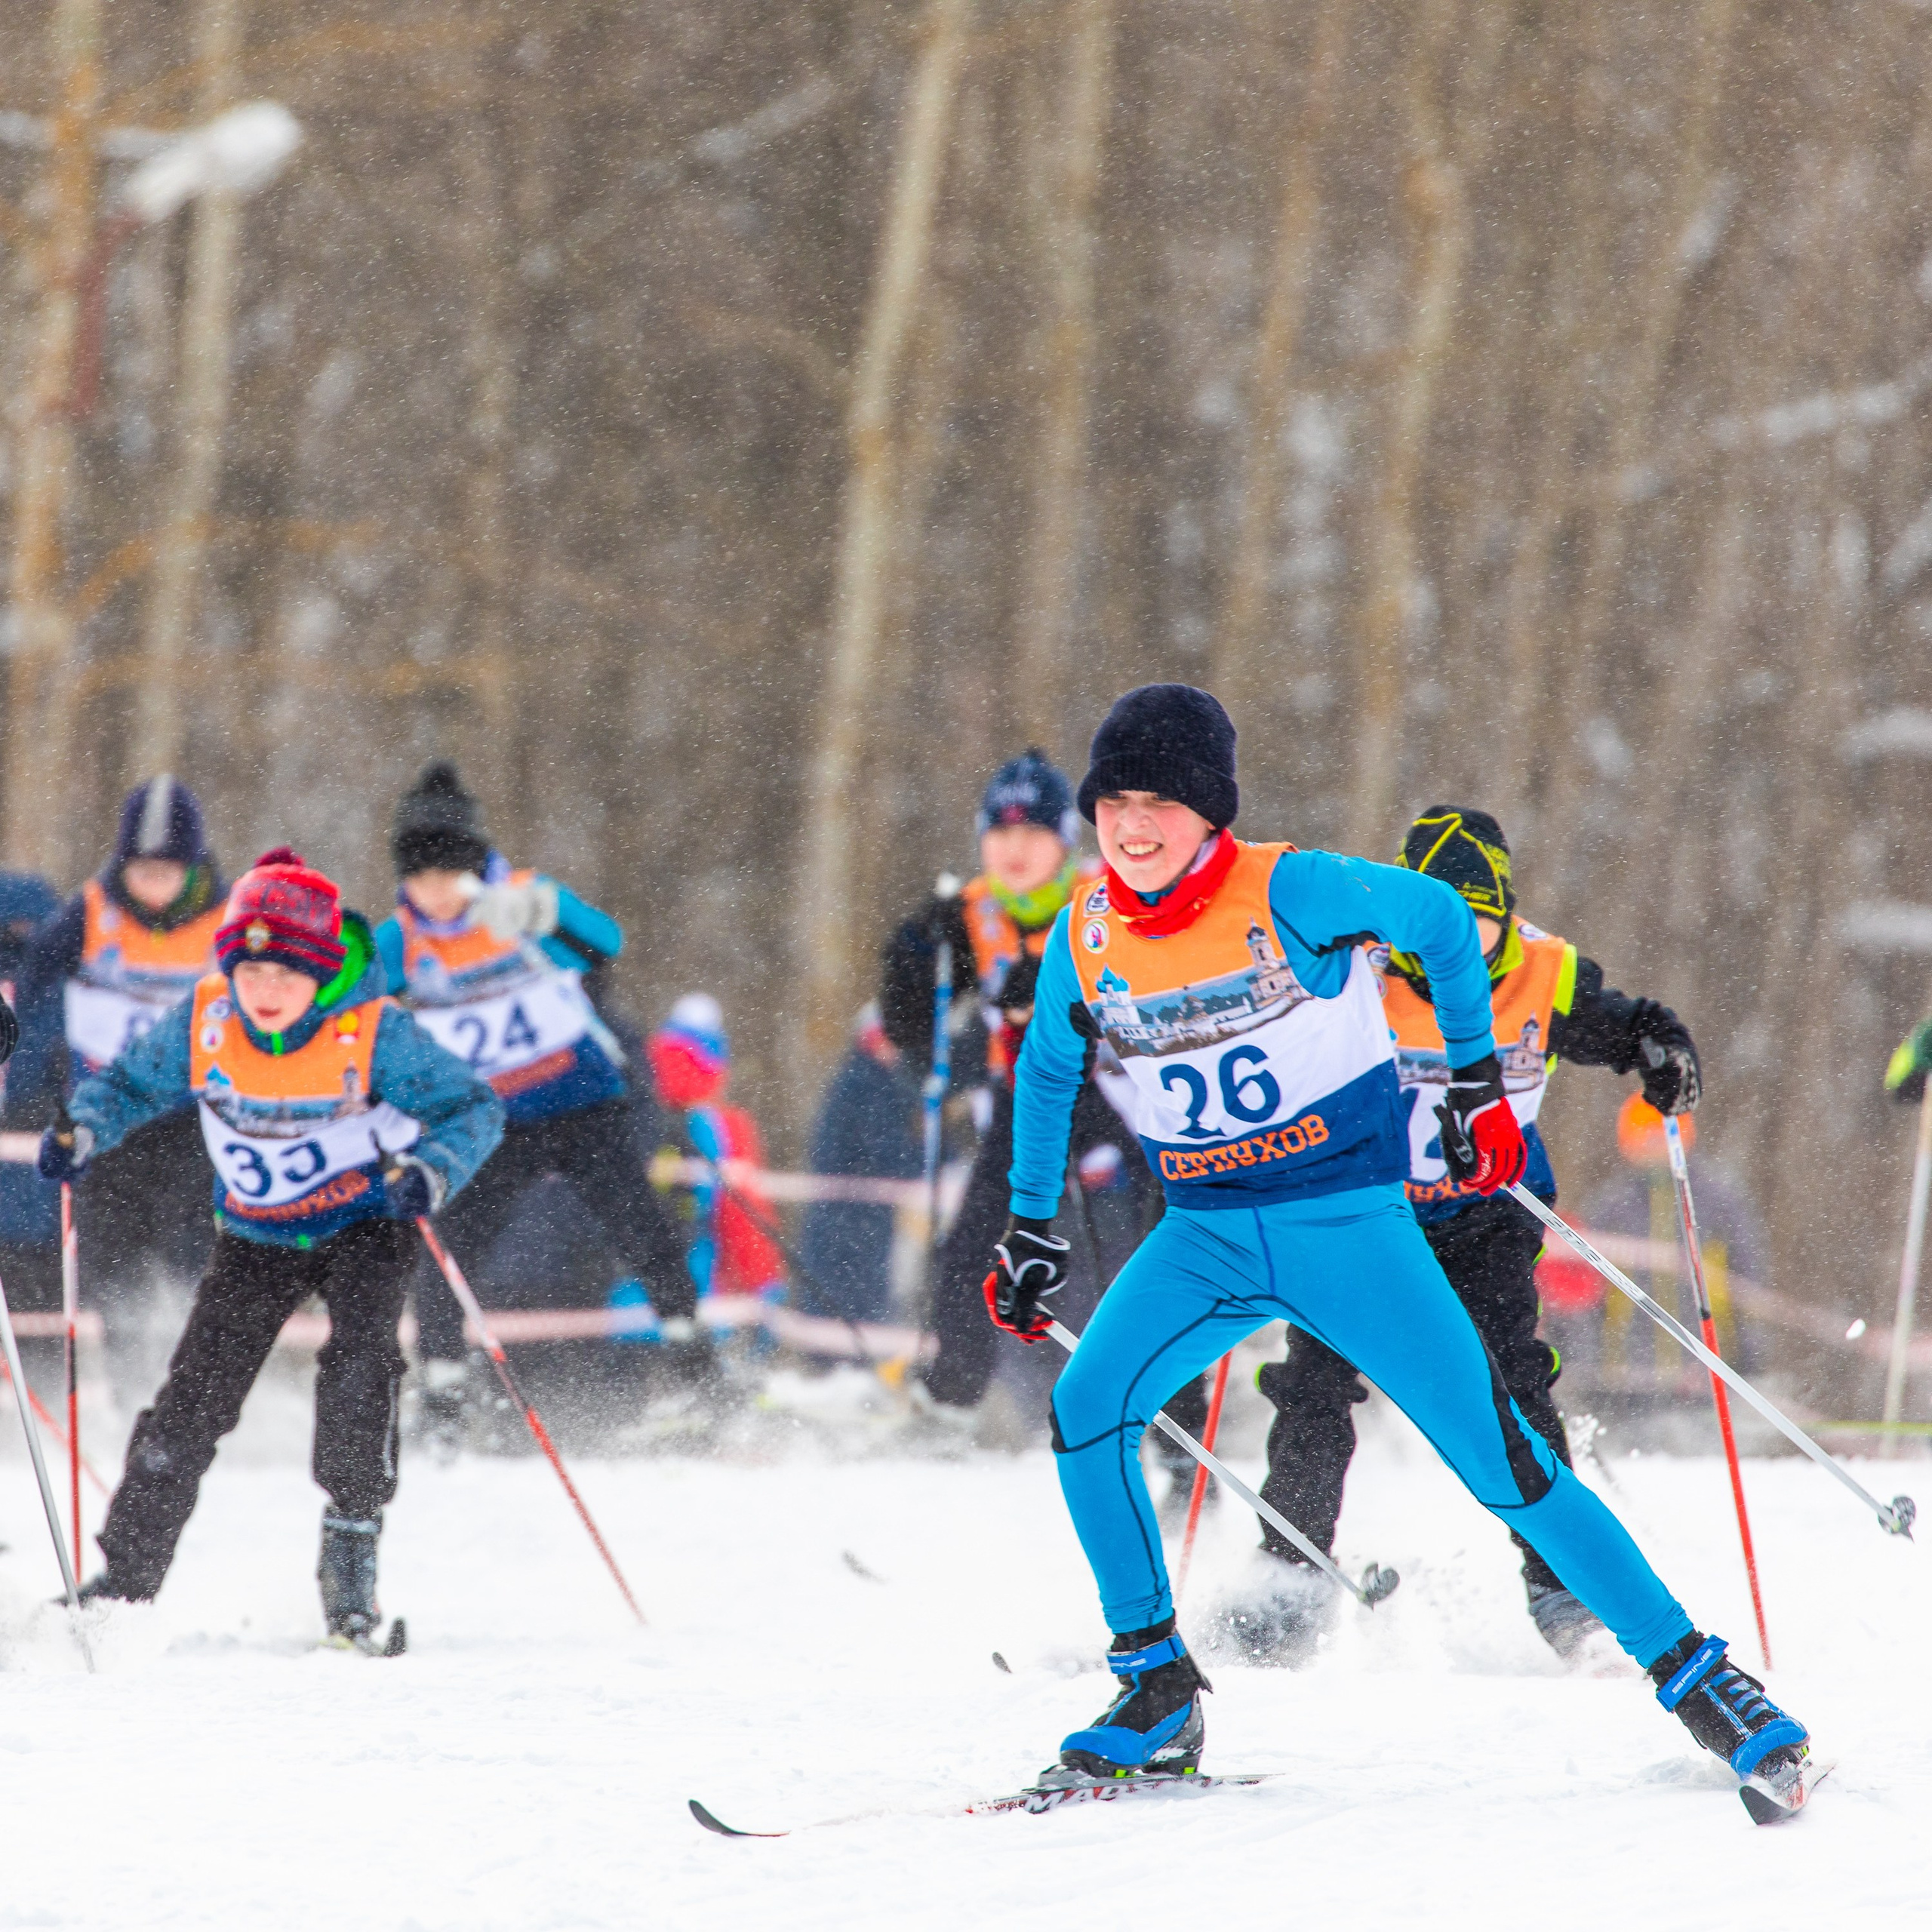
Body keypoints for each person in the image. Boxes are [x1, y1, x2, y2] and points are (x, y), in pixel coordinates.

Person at [985, 683, 1812, 1811]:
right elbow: (1044, 1064)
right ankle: (1155, 1691)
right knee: (1088, 1412)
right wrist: (1031, 1224)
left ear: (1211, 812)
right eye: (1114, 802)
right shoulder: (1089, 928)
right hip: (1208, 1242)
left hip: (1349, 1235)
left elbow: (1432, 920)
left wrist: (1474, 1076)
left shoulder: (1290, 887)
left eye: (1161, 805)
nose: (1133, 826)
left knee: (1510, 1466)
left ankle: (1709, 1685)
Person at [1243, 807, 1702, 1664]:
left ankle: (1566, 1589)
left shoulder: (1546, 971)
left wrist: (1662, 1050)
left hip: (1486, 1217)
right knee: (1312, 1387)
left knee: (1513, 1392)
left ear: (1505, 912)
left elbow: (1631, 1023)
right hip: (1361, 1215)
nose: (1453, 944)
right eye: (1433, 924)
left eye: (1475, 922)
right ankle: (1288, 1582)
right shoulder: (1354, 968)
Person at [40, 848, 502, 1647]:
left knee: (360, 1379)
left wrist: (432, 1172)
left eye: (287, 974)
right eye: (250, 973)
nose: (266, 991)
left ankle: (349, 1582)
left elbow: (474, 1108)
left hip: (366, 1222)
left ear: (320, 973)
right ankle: (123, 1582)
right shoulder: (206, 1018)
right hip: (257, 1234)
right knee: (192, 1403)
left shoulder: (374, 1030)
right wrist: (84, 1127)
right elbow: (128, 1086)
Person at [373, 762, 706, 1428]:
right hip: (492, 1123)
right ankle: (440, 1397)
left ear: (473, 867)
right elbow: (350, 1007)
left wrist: (550, 917)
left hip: (581, 1104)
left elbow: (607, 943)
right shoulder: (401, 940)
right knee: (446, 1247)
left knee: (643, 1231)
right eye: (419, 877)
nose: (435, 893)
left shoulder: (522, 899)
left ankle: (698, 1371)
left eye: (447, 875)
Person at [881, 749, 1173, 1419]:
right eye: (1000, 833)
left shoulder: (1109, 894)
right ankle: (952, 1392)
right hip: (1031, 1092)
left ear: (1064, 843)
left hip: (1125, 1087)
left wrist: (1049, 985)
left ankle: (1171, 1419)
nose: (1014, 850)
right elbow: (909, 1026)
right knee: (981, 1236)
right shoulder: (970, 910)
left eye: (1033, 833)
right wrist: (909, 961)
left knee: (1149, 1246)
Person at [23, 777, 226, 1307]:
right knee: (112, 1249)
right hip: (107, 1109)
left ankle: (190, 1360)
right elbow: (33, 983)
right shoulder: (91, 909)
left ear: (192, 868)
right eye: (141, 871)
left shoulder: (226, 919)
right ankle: (123, 1371)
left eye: (167, 872)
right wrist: (42, 1053)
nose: (152, 884)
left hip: (192, 1114)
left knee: (191, 1241)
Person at [797, 1005, 921, 1327]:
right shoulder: (867, 1085)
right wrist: (922, 1162)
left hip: (856, 1217)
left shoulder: (874, 1084)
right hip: (852, 1218)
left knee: (850, 1293)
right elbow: (887, 1152)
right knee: (849, 1295)